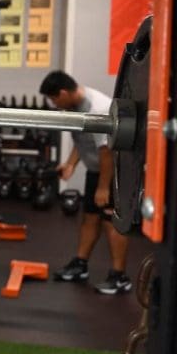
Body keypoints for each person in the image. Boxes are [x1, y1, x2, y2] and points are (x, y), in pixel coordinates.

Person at [39, 70, 131, 295]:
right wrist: (71, 164)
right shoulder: (74, 107)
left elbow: (107, 152)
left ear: (62, 93)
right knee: (90, 218)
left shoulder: (97, 109)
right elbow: (83, 141)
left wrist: (102, 187)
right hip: (97, 170)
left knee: (111, 221)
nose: (54, 104)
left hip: (115, 171)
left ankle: (120, 277)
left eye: (54, 99)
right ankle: (80, 265)